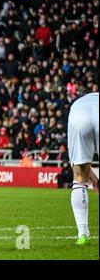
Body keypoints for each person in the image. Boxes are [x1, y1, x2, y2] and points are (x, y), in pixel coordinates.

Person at [67, 92, 99, 246]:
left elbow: (79, 163)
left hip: (79, 112)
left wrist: (93, 180)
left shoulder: (78, 102)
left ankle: (82, 233)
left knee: (79, 178)